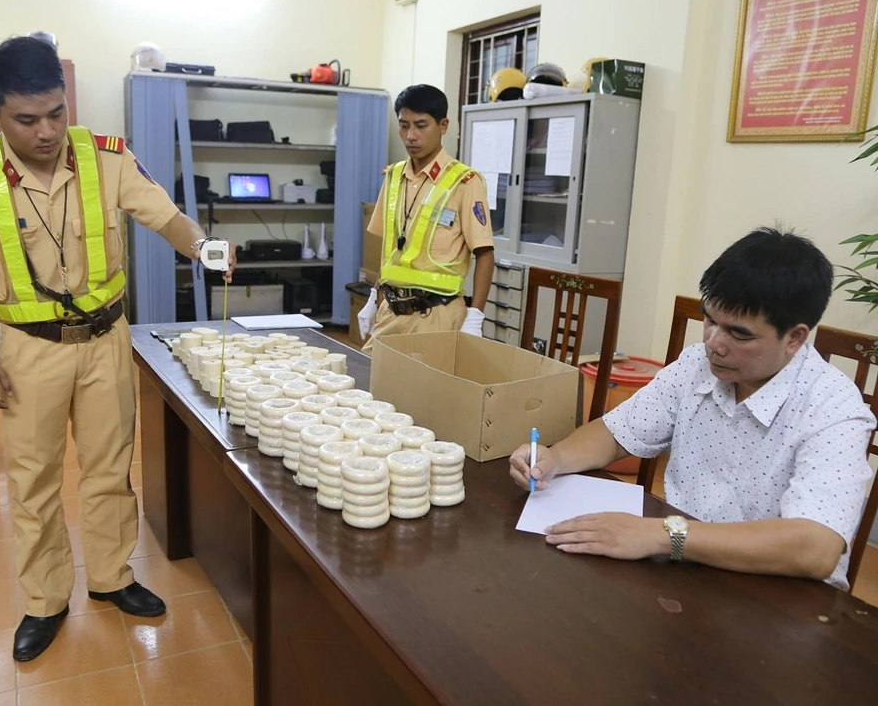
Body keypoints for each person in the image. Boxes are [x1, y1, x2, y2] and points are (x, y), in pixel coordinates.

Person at [0, 36, 234, 661]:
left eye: (56, 113)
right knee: (34, 480)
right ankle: (45, 601)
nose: (47, 132)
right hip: (27, 349)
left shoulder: (104, 157)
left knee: (109, 467)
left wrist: (206, 248)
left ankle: (111, 577)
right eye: (27, 119)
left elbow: (166, 217)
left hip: (105, 340)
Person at [509, 227, 875, 590]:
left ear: (794, 337)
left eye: (739, 333)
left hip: (776, 596)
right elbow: (617, 433)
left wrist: (660, 535)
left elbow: (815, 547)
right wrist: (554, 460)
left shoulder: (832, 407)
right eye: (710, 320)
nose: (714, 343)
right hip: (686, 573)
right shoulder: (695, 365)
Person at [358, 85, 495, 354]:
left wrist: (475, 316)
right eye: (404, 126)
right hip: (391, 311)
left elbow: (485, 253)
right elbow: (391, 252)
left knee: (425, 383)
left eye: (421, 126)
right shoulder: (394, 177)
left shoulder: (464, 182)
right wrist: (374, 297)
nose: (411, 136)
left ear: (443, 125)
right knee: (370, 375)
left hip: (437, 316)